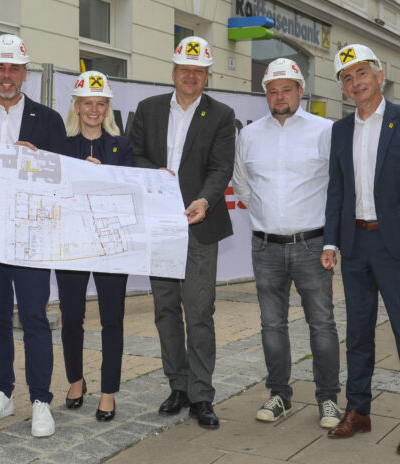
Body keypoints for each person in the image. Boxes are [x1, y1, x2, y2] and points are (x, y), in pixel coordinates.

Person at [322, 44, 400, 455]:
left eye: (361, 74)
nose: (356, 83)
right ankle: (359, 410)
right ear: (343, 88)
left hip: (397, 246)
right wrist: (331, 241)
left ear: (380, 75)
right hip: (355, 244)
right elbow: (337, 188)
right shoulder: (339, 130)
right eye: (347, 78)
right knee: (357, 333)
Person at [0, 34, 66, 437]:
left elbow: (63, 176)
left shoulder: (48, 119)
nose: (7, 75)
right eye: (0, 68)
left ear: (25, 73)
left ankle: (40, 401)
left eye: (14, 68)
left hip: (33, 237)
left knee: (35, 318)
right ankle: (1, 393)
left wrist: (39, 162)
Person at [129, 36, 235, 429]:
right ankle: (178, 385)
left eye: (199, 71)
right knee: (165, 311)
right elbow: (134, 152)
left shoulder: (222, 115)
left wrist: (205, 201)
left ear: (207, 77)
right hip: (160, 225)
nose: (191, 76)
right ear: (173, 72)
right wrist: (151, 175)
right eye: (184, 69)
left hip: (198, 225)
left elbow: (221, 168)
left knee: (199, 312)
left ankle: (202, 395)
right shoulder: (148, 108)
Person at [233, 58, 341, 428]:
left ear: (301, 91)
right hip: (266, 247)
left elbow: (338, 189)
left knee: (322, 325)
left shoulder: (326, 131)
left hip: (313, 245)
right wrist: (269, 217)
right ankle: (280, 395)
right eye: (272, 90)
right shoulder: (249, 135)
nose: (279, 96)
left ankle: (328, 399)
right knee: (271, 325)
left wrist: (333, 242)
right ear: (266, 94)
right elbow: (242, 185)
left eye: (286, 89)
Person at [55, 71, 134, 422]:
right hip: (72, 242)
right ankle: (75, 380)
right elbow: (52, 193)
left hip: (111, 244)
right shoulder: (60, 144)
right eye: (88, 103)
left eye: (101, 103)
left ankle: (107, 392)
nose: (94, 109)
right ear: (76, 105)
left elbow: (133, 192)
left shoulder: (122, 145)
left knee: (112, 319)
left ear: (108, 108)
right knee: (71, 317)